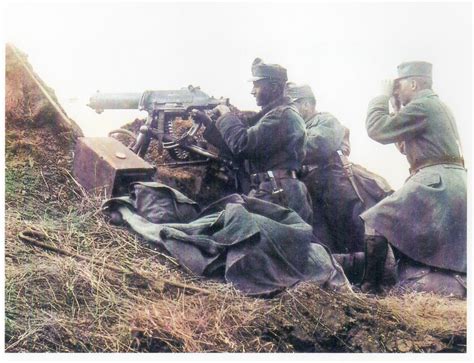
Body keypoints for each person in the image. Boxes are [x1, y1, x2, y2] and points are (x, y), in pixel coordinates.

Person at [360, 61, 467, 297]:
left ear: (414, 83)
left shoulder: (422, 106)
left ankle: (370, 293)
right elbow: (401, 143)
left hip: (436, 180)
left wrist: (380, 98)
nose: (396, 90)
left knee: (376, 220)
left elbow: (377, 129)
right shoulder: (436, 105)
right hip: (449, 180)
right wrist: (397, 103)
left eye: (400, 85)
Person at [193, 58, 313, 224]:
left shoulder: (282, 116)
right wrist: (209, 123)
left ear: (274, 87)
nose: (252, 91)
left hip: (276, 194)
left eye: (257, 85)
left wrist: (226, 115)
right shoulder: (274, 116)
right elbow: (237, 151)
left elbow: (242, 144)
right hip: (272, 190)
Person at [285, 83, 392, 264]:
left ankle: (372, 274)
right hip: (309, 186)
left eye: (292, 106)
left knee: (350, 229)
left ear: (306, 104)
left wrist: (284, 146)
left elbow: (319, 144)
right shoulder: (295, 127)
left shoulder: (325, 120)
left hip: (332, 181)